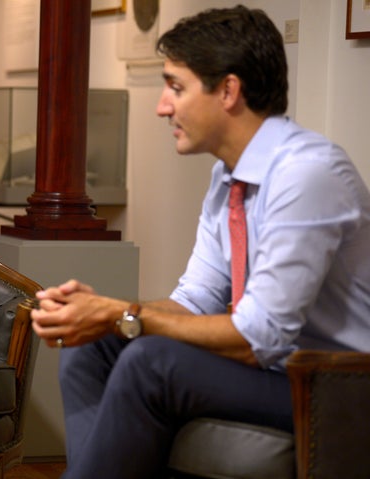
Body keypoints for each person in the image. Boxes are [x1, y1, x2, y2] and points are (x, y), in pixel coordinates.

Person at [31, 5, 370, 478]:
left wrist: (123, 315)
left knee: (150, 359)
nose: (162, 106)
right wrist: (105, 311)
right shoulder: (227, 178)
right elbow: (195, 301)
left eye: (176, 87)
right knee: (90, 345)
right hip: (272, 370)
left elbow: (260, 337)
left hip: (334, 382)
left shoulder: (306, 174)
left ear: (228, 90)